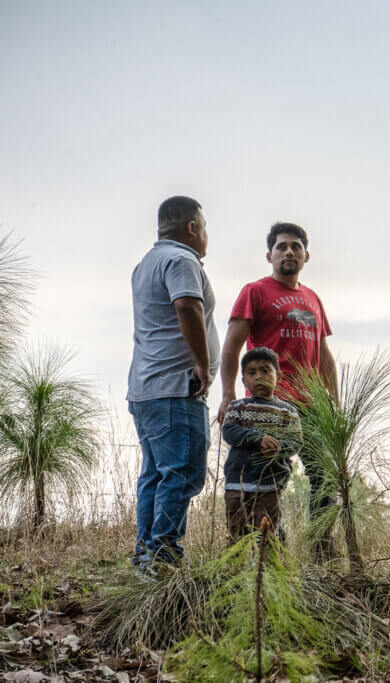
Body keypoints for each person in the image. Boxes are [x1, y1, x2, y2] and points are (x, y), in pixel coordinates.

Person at [217, 222, 338, 557]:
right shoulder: (255, 291)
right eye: (282, 246)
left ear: (306, 255)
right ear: (269, 255)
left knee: (325, 477)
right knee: (267, 482)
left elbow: (324, 355)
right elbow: (231, 347)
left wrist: (335, 403)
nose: (289, 251)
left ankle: (321, 550)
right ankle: (267, 554)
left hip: (310, 405)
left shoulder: (313, 298)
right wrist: (228, 394)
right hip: (269, 405)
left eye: (296, 246)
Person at [127, 195, 219, 571]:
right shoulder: (181, 259)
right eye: (205, 227)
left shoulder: (145, 263)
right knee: (183, 472)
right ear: (193, 227)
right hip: (174, 388)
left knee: (155, 474)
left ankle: (145, 557)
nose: (206, 235)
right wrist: (202, 363)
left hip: (146, 390)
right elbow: (187, 306)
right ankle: (164, 558)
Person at [222, 347, 302, 540]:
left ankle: (264, 569)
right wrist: (258, 439)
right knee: (237, 535)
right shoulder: (237, 407)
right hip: (237, 485)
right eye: (252, 372)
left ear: (279, 376)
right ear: (243, 380)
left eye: (266, 370)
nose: (259, 376)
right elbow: (229, 431)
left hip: (270, 485)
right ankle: (236, 569)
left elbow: (296, 441)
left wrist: (278, 448)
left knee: (265, 535)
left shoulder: (288, 411)